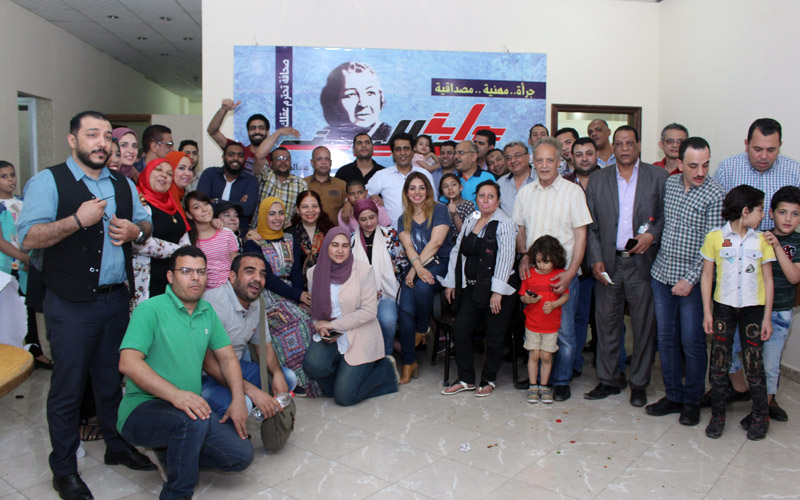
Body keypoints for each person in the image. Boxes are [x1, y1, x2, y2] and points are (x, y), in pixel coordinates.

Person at [17, 111, 155, 500]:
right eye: (92, 134)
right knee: (68, 388)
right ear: (72, 140)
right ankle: (63, 469)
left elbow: (146, 225)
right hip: (70, 304)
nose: (101, 142)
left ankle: (116, 445)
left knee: (110, 381)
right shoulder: (48, 182)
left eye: (107, 136)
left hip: (115, 300)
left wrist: (136, 230)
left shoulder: (123, 184)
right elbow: (28, 237)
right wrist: (77, 220)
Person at [118, 246, 254, 500]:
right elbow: (128, 363)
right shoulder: (150, 309)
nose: (195, 278)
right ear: (170, 276)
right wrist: (176, 395)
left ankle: (171, 452)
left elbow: (227, 358)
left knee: (240, 456)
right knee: (191, 421)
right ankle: (177, 493)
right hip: (142, 409)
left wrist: (238, 400)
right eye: (186, 271)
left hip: (189, 409)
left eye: (201, 272)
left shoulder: (206, 312)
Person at [710, 118, 800, 406]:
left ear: (780, 146)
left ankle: (766, 402)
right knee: (732, 344)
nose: (763, 156)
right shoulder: (727, 168)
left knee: (769, 348)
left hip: (777, 272)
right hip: (737, 275)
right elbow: (719, 218)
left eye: (771, 150)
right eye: (757, 149)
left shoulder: (794, 171)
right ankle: (740, 389)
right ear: (746, 144)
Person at [584, 126, 668, 407]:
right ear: (613, 146)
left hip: (642, 265)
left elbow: (665, 217)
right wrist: (595, 259)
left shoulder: (659, 177)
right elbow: (591, 225)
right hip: (608, 264)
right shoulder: (598, 179)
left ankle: (639, 383)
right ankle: (608, 379)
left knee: (644, 327)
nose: (624, 148)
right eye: (619, 143)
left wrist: (651, 236)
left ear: (639, 145)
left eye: (629, 143)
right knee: (606, 324)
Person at [647, 137, 725, 426]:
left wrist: (689, 280)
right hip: (662, 275)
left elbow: (712, 248)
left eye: (705, 165)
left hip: (693, 283)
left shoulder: (716, 194)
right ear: (680, 163)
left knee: (692, 342)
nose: (700, 172)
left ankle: (692, 401)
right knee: (666, 340)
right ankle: (673, 396)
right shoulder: (670, 184)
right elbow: (663, 225)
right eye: (693, 166)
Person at [514, 137, 592, 402]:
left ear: (560, 161)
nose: (545, 165)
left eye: (550, 160)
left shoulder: (573, 192)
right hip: (535, 277)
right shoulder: (525, 193)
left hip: (563, 276)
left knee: (565, 332)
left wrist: (571, 272)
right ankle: (536, 379)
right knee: (534, 329)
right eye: (540, 160)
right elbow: (521, 230)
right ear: (533, 162)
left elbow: (581, 237)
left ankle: (561, 381)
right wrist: (524, 256)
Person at [701, 185, 775, 441]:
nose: (763, 215)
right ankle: (717, 416)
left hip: (753, 311)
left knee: (754, 364)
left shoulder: (762, 241)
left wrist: (767, 317)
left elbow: (768, 280)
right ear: (745, 211)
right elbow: (707, 276)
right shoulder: (715, 237)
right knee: (719, 364)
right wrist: (707, 312)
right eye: (760, 210)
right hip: (724, 308)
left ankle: (761, 416)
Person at [303, 228, 399, 405]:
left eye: (345, 246)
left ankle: (385, 370)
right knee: (313, 365)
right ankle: (344, 379)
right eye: (335, 245)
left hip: (360, 333)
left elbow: (369, 311)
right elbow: (316, 309)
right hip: (332, 335)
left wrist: (333, 325)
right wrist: (319, 324)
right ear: (326, 246)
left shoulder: (363, 271)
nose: (340, 250)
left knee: (345, 397)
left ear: (350, 248)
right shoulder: (314, 273)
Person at [440, 180, 517, 397]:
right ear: (476, 198)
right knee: (461, 330)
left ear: (498, 200)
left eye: (490, 196)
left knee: (494, 336)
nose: (485, 200)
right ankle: (466, 379)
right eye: (481, 196)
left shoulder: (505, 223)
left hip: (497, 290)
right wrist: (451, 281)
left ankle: (488, 379)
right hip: (472, 288)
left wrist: (497, 292)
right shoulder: (471, 219)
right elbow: (458, 251)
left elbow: (505, 259)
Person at [202, 252, 297, 418]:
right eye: (249, 271)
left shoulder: (257, 302)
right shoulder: (213, 303)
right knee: (243, 404)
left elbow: (265, 347)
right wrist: (251, 391)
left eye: (262, 274)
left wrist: (277, 373)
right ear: (232, 277)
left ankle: (254, 406)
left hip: (236, 367)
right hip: (207, 376)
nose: (257, 279)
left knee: (288, 378)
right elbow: (208, 364)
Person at [243, 197, 320, 397]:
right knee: (296, 323)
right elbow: (267, 278)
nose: (277, 218)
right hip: (265, 295)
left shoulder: (289, 238)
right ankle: (297, 380)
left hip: (290, 294)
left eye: (281, 213)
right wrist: (297, 295)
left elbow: (295, 272)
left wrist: (299, 299)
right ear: (263, 216)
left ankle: (316, 375)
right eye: (271, 214)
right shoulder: (253, 243)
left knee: (312, 318)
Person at [397, 172, 453, 383]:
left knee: (422, 287)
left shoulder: (439, 209)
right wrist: (417, 268)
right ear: (406, 193)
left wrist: (415, 270)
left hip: (441, 263)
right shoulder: (403, 218)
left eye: (421, 187)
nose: (417, 192)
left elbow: (436, 243)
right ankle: (409, 362)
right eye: (412, 188)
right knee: (404, 307)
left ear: (428, 190)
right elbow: (408, 247)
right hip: (419, 266)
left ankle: (422, 329)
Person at [756, 186, 800, 424]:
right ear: (771, 213)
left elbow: (794, 277)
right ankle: (743, 392)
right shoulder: (759, 237)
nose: (788, 219)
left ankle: (765, 406)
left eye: (795, 214)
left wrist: (776, 247)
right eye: (783, 212)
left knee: (770, 363)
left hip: (780, 311)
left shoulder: (797, 243)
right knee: (738, 356)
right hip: (754, 309)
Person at [350, 198, 409, 355]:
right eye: (363, 219)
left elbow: (404, 263)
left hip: (385, 292)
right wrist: (366, 290)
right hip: (359, 295)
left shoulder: (390, 235)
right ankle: (368, 357)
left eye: (372, 217)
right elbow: (346, 273)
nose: (369, 223)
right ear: (357, 220)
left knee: (388, 320)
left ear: (377, 215)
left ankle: (386, 355)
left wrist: (391, 269)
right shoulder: (351, 241)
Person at [131, 158, 191, 307]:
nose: (164, 175)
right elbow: (140, 242)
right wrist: (180, 251)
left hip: (173, 282)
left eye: (169, 173)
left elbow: (182, 232)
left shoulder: (173, 204)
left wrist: (187, 250)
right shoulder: (138, 203)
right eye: (158, 170)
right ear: (147, 173)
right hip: (148, 282)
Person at [520, 236, 570, 404]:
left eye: (546, 261)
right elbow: (522, 296)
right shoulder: (530, 275)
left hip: (551, 325)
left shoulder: (559, 275)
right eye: (538, 261)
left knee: (547, 355)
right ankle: (533, 385)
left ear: (555, 258)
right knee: (534, 354)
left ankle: (544, 385)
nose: (541, 265)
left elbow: (565, 296)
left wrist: (554, 304)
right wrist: (528, 300)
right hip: (532, 323)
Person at [207, 98, 299, 176]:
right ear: (248, 132)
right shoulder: (238, 150)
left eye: (261, 128)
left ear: (267, 132)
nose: (257, 131)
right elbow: (213, 132)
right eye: (253, 128)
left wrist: (278, 133)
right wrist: (223, 110)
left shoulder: (274, 158)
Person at [366, 132, 436, 229]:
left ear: (413, 151)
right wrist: (371, 199)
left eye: (406, 148)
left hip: (423, 233)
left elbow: (434, 204)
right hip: (393, 235)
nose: (402, 153)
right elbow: (362, 196)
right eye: (398, 149)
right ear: (393, 153)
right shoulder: (382, 175)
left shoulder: (425, 175)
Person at [319, 61, 392, 143]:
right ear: (334, 102)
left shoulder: (391, 136)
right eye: (351, 94)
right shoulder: (325, 138)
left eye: (370, 93)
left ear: (381, 98)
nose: (363, 104)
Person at [196, 141, 259, 231]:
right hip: (209, 229)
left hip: (239, 232)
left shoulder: (250, 180)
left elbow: (248, 209)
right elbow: (201, 204)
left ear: (244, 159)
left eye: (240, 155)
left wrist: (216, 201)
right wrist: (238, 204)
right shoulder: (210, 174)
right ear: (223, 157)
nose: (235, 158)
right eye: (231, 155)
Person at [184, 191, 239, 290]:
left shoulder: (226, 233)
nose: (204, 209)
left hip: (230, 289)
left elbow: (236, 264)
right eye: (196, 207)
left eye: (206, 204)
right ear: (189, 214)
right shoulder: (188, 240)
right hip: (201, 292)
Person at [286, 190, 336, 287]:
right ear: (298, 210)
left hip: (328, 286)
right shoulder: (289, 234)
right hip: (297, 289)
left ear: (320, 208)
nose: (310, 210)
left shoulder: (330, 232)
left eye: (314, 206)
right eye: (305, 207)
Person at [254, 147, 308, 229]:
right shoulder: (266, 175)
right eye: (279, 158)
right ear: (271, 163)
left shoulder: (300, 184)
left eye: (287, 159)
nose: (283, 161)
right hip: (258, 232)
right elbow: (258, 156)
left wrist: (286, 229)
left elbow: (302, 212)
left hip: (285, 233)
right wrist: (277, 136)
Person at [305, 146, 347, 223]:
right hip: (308, 229)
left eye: (327, 159)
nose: (324, 162)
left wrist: (349, 203)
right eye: (319, 159)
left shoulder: (342, 185)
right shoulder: (303, 184)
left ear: (331, 162)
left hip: (334, 230)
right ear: (312, 162)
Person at [497, 141, 535, 217]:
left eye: (517, 155)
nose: (513, 161)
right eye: (508, 158)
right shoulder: (500, 184)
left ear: (528, 157)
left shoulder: (541, 179)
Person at [454, 140, 495, 205]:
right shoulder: (453, 179)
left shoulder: (487, 177)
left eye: (461, 153)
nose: (456, 156)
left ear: (473, 157)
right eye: (455, 153)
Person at [440, 173, 476, 243]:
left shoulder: (468, 205)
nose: (450, 188)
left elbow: (466, 234)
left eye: (454, 184)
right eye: (445, 186)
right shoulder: (441, 208)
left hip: (461, 245)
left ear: (460, 187)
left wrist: (455, 214)